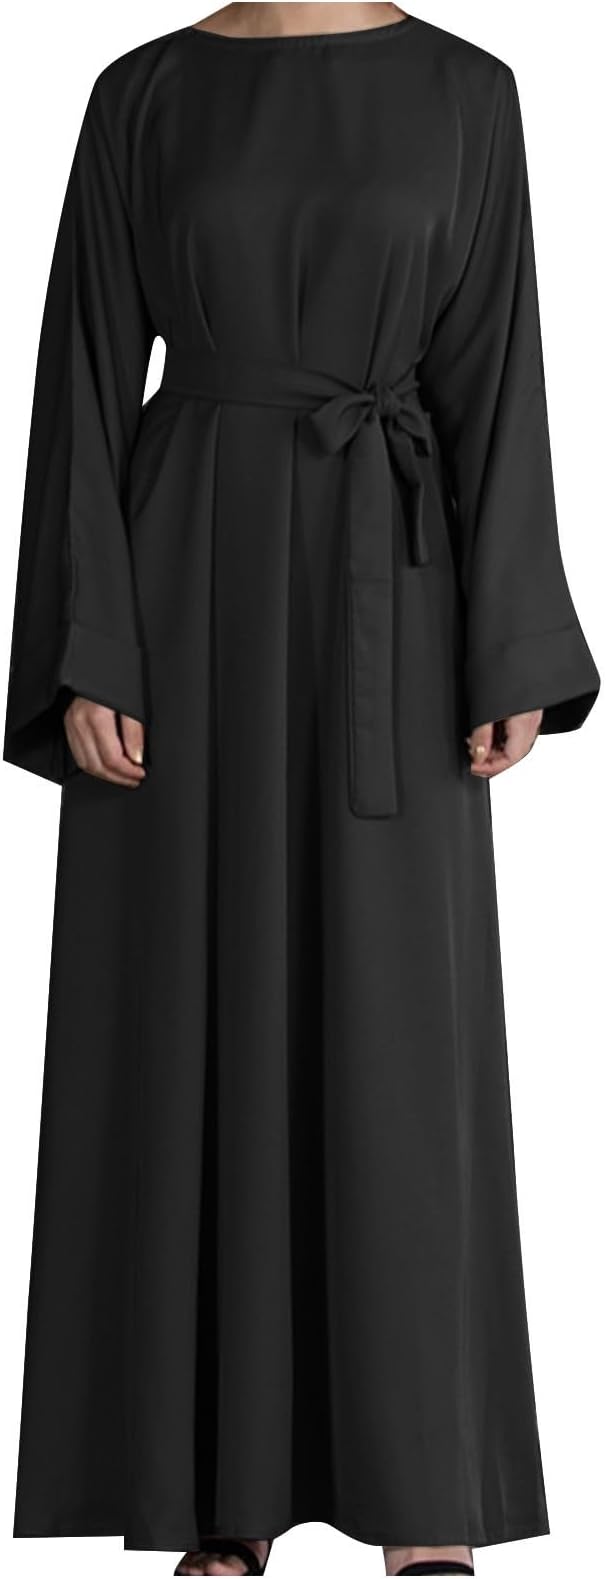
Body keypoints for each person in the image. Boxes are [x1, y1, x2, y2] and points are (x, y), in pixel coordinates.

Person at [3, 5, 600, 1577]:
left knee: (401, 1038)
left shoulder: (468, 95)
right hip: (182, 595)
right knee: (183, 1017)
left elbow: (497, 372)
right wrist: (88, 645)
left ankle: (421, 1497)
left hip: (390, 604)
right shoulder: (142, 96)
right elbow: (81, 374)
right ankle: (216, 1496)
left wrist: (506, 641)